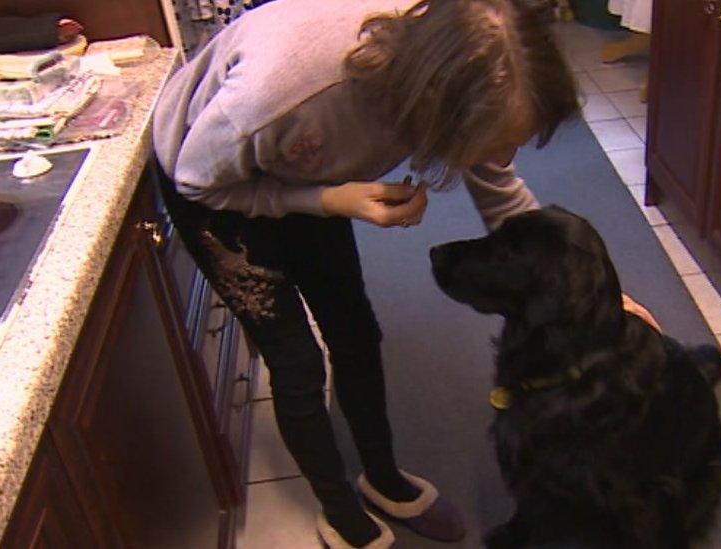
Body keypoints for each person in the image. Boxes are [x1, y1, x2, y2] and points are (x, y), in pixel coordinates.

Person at [153, 0, 655, 546]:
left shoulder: (470, 68)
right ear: (442, 108)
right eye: (496, 140)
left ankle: (382, 477)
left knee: (356, 331)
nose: (504, 154)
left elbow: (504, 199)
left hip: (315, 173)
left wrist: (602, 300)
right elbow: (196, 180)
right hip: (216, 187)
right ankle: (340, 508)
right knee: (296, 364)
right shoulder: (279, 97)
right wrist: (325, 199)